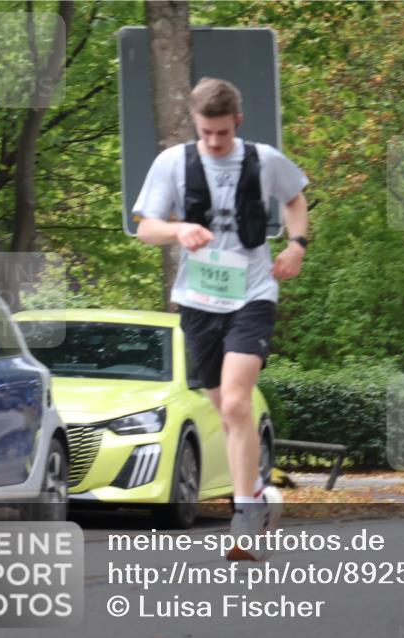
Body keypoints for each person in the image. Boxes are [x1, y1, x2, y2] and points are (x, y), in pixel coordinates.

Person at [133, 78, 310, 560]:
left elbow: (295, 199)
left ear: (238, 122)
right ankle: (260, 493)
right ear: (195, 122)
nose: (214, 142)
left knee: (236, 404)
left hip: (252, 293)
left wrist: (297, 245)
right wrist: (179, 228)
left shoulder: (264, 159)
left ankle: (246, 517)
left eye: (222, 133)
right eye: (206, 132)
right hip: (198, 298)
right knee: (223, 408)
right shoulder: (172, 164)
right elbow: (145, 227)